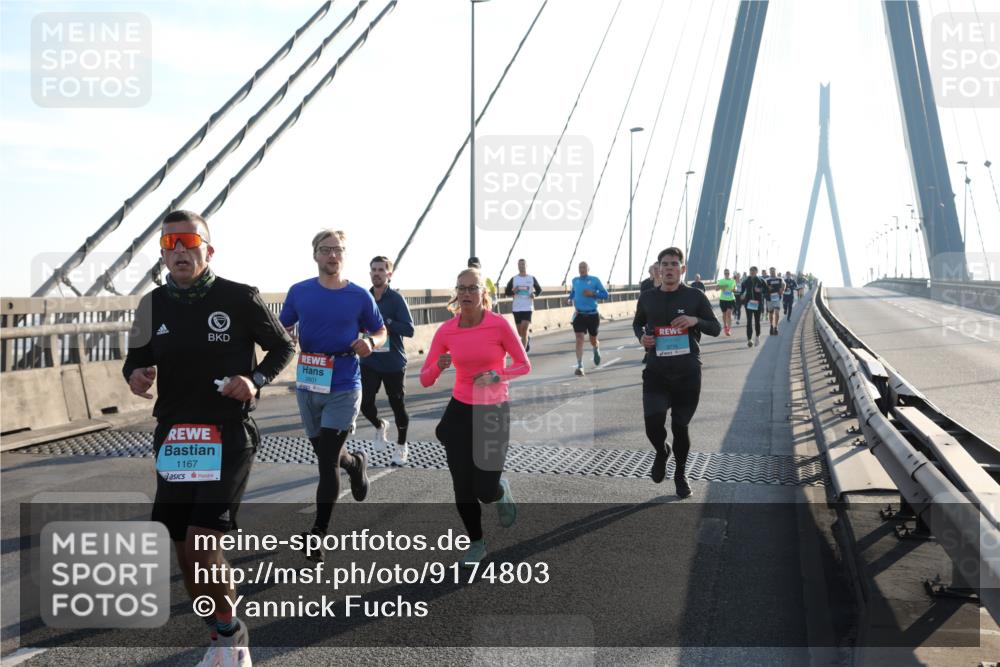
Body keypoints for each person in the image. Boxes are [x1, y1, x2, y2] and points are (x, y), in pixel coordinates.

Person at [124, 210, 295, 667]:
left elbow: (283, 346)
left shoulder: (240, 298)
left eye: (188, 240)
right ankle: (221, 632)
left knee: (203, 541)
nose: (178, 249)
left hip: (228, 433)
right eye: (168, 243)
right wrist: (136, 375)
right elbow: (135, 359)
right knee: (183, 548)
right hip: (176, 437)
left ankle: (235, 636)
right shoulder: (152, 305)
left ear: (208, 249)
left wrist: (255, 379)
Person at [280, 230, 387, 563]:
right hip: (309, 382)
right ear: (315, 255)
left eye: (338, 250)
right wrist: (282, 336)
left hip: (344, 382)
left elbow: (381, 331)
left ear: (344, 255)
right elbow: (280, 327)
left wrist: (370, 343)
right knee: (329, 454)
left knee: (326, 462)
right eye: (326, 250)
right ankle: (355, 464)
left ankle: (318, 534)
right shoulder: (299, 292)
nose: (332, 256)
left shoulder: (359, 296)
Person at [420, 267, 531, 566]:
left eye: (472, 288)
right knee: (462, 486)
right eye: (461, 288)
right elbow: (425, 379)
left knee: (484, 489)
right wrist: (439, 367)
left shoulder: (499, 325)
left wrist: (498, 375)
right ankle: (476, 542)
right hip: (460, 409)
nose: (466, 293)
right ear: (456, 294)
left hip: (493, 409)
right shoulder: (447, 330)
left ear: (484, 293)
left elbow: (524, 365)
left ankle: (500, 491)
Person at [633, 247, 721, 498]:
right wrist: (642, 338)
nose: (669, 268)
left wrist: (695, 321)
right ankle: (662, 452)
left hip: (687, 373)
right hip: (656, 372)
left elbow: (714, 327)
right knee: (653, 425)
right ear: (658, 269)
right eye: (665, 264)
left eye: (674, 264)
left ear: (682, 269)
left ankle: (681, 475)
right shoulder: (648, 297)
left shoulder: (695, 297)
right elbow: (638, 323)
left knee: (680, 426)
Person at [361, 256, 414, 465]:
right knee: (364, 404)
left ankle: (401, 446)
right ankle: (379, 425)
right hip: (369, 361)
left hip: (393, 363)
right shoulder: (364, 297)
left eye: (381, 270)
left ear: (389, 274)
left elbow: (409, 329)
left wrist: (386, 322)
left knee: (397, 405)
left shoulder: (396, 299)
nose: (377, 273)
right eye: (373, 269)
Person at [567, 261, 609, 376]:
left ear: (588, 268)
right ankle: (580, 366)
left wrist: (593, 293)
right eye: (580, 267)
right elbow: (573, 292)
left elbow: (605, 294)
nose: (582, 269)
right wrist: (569, 298)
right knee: (579, 338)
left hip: (592, 315)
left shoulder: (595, 280)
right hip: (579, 314)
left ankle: (596, 348)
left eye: (584, 267)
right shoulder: (575, 280)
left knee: (592, 340)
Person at [504, 258, 542, 352]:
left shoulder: (531, 278)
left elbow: (539, 290)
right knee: (520, 333)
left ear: (526, 266)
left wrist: (534, 294)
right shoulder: (514, 279)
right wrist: (513, 291)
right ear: (518, 266)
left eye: (523, 264)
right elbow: (507, 292)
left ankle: (523, 354)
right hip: (517, 307)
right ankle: (526, 339)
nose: (522, 266)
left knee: (524, 328)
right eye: (520, 264)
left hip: (528, 307)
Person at [740, 266, 767, 347]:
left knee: (757, 321)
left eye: (753, 271)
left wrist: (760, 290)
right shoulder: (745, 281)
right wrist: (742, 295)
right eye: (751, 271)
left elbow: (766, 290)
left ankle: (757, 337)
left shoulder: (761, 280)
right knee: (749, 321)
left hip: (757, 303)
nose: (752, 272)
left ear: (756, 272)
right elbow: (742, 291)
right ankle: (749, 339)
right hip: (748, 303)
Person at [764, 266, 784, 335]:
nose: (772, 272)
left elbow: (784, 284)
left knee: (777, 312)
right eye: (771, 271)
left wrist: (782, 289)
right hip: (769, 298)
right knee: (771, 313)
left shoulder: (779, 279)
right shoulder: (767, 280)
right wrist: (767, 288)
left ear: (776, 271)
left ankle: (776, 327)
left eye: (773, 271)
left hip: (777, 298)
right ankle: (771, 326)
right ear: (769, 272)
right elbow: (763, 287)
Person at [716, 268, 737, 336]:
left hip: (731, 299)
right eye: (725, 273)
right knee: (724, 314)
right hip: (723, 299)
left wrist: (734, 289)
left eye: (728, 273)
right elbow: (716, 289)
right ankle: (725, 326)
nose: (727, 274)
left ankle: (728, 329)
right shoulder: (721, 281)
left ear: (729, 274)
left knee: (729, 314)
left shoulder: (733, 281)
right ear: (724, 274)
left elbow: (735, 288)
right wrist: (723, 286)